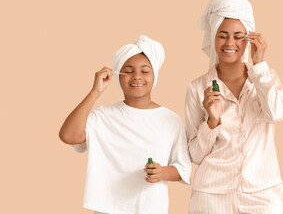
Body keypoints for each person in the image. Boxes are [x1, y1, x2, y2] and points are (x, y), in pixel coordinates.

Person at [59, 35, 191, 214]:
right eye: (128, 71)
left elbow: (182, 168)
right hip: (107, 209)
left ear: (154, 75)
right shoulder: (103, 116)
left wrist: (163, 173)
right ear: (118, 76)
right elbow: (68, 136)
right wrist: (95, 91)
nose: (137, 77)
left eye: (145, 71)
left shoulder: (171, 120)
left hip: (151, 208)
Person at [185, 0, 283, 214]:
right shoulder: (196, 88)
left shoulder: (263, 80)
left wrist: (260, 65)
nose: (229, 42)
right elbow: (193, 155)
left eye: (238, 35)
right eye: (222, 35)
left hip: (263, 193)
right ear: (213, 36)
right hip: (211, 195)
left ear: (248, 38)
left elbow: (278, 114)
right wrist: (212, 122)